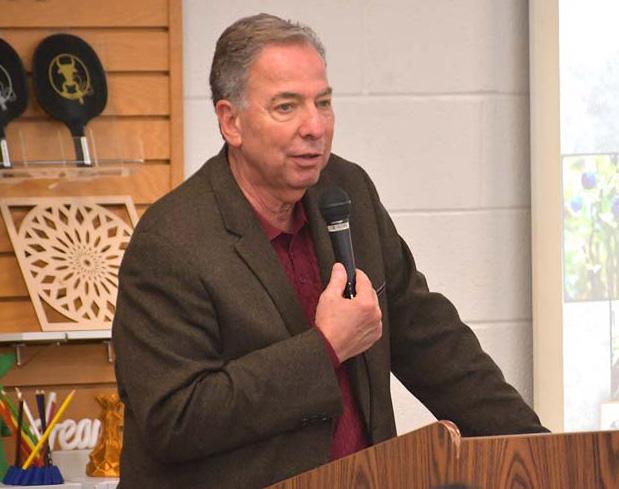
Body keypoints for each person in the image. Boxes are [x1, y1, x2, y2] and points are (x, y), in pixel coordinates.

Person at [112, 13, 547, 489]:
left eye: (323, 102)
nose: (315, 126)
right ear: (231, 122)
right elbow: (174, 420)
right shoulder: (171, 241)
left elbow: (432, 342)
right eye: (286, 107)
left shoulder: (346, 190)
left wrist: (543, 454)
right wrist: (325, 348)